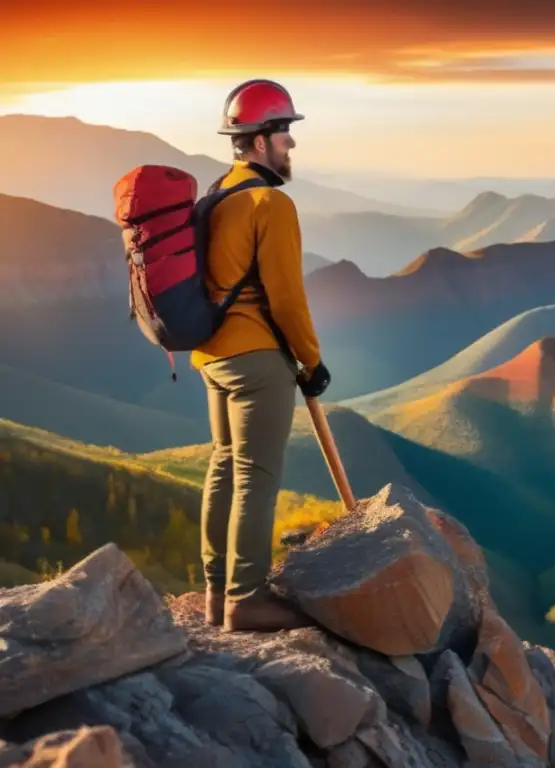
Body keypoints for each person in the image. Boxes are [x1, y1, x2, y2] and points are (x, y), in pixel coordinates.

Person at [192, 79, 331, 632]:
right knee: (256, 477)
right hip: (257, 358)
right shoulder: (269, 202)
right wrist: (311, 360)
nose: (290, 146)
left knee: (224, 469)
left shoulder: (217, 194)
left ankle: (216, 593)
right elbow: (286, 296)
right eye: (283, 133)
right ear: (257, 140)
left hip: (212, 356)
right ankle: (245, 600)